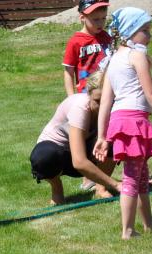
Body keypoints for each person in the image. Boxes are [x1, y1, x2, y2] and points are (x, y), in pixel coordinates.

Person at [94, 7, 152, 239]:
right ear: (129, 32)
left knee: (141, 174)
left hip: (120, 120)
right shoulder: (136, 56)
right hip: (133, 120)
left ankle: (149, 224)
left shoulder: (113, 60)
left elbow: (106, 101)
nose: (150, 35)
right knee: (131, 178)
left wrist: (102, 136)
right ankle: (127, 230)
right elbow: (151, 93)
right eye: (145, 30)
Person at [30, 70, 121, 205]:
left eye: (106, 101)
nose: (102, 107)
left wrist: (139, 176)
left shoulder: (114, 107)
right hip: (58, 153)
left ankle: (100, 188)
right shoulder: (80, 107)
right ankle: (57, 189)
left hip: (84, 150)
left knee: (116, 141)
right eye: (97, 101)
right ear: (88, 94)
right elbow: (79, 162)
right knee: (44, 158)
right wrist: (117, 185)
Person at [63, 0, 112, 192]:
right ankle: (87, 176)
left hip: (106, 93)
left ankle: (100, 174)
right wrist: (72, 98)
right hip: (85, 96)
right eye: (95, 19)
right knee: (87, 135)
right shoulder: (76, 41)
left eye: (103, 18)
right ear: (82, 17)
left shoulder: (106, 37)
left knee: (105, 132)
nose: (100, 23)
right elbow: (68, 71)